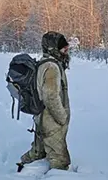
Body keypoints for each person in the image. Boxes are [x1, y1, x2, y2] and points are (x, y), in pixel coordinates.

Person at [18, 31, 72, 171]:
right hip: (51, 120)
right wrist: (62, 117)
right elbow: (50, 96)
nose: (66, 51)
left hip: (42, 117)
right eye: (63, 48)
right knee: (60, 161)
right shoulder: (51, 67)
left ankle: (22, 167)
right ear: (53, 48)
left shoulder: (46, 63)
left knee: (38, 152)